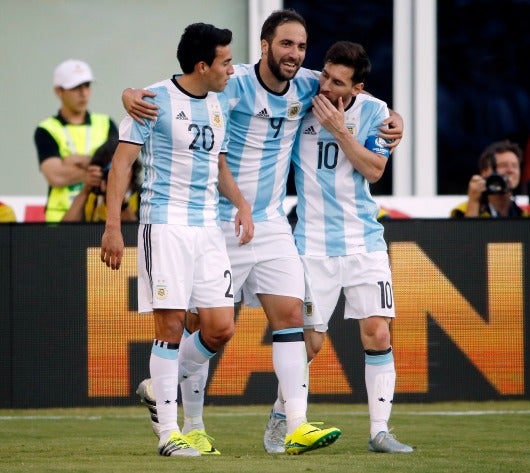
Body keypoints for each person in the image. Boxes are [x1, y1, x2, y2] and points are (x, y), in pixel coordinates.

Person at [123, 8, 404, 455]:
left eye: (301, 46)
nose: (294, 54)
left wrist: (396, 122)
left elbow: (363, 99)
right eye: (286, 44)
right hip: (215, 220)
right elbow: (176, 90)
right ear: (266, 45)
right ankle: (190, 421)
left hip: (271, 222)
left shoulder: (312, 84)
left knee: (292, 318)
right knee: (209, 330)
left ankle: (295, 424)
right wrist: (128, 94)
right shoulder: (230, 81)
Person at [100, 22, 254, 457]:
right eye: (225, 62)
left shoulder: (219, 104)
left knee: (220, 327)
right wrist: (113, 227)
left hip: (209, 229)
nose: (230, 69)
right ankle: (170, 432)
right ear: (202, 65)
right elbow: (121, 165)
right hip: (164, 225)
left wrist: (240, 204)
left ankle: (157, 388)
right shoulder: (152, 101)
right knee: (169, 327)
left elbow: (219, 166)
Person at [286, 41, 413, 454]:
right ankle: (285, 417)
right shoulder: (302, 95)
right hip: (311, 244)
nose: (325, 87)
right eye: (324, 74)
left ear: (357, 87)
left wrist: (342, 131)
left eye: (337, 82)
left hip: (363, 241)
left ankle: (380, 431)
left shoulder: (374, 113)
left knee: (377, 332)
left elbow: (375, 170)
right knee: (310, 343)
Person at [34, 59, 118, 222]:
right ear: (59, 91)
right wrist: (95, 166)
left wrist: (73, 161)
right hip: (60, 219)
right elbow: (55, 176)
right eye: (75, 87)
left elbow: (115, 167)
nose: (83, 93)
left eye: (87, 85)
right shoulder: (46, 129)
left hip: (100, 216)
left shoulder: (106, 123)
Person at [62, 137, 140, 222]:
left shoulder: (143, 197)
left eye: (120, 168)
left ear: (132, 170)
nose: (114, 175)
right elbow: (65, 230)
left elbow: (135, 232)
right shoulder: (92, 198)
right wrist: (85, 190)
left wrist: (121, 202)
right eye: (109, 170)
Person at [450, 140, 530, 218]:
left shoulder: (526, 216)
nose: (510, 170)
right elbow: (466, 232)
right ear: (484, 172)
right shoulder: (461, 211)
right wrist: (474, 202)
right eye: (503, 165)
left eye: (515, 166)